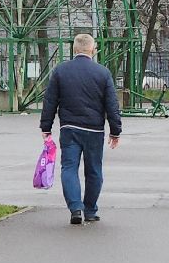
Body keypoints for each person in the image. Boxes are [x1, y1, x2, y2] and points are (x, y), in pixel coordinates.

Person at [39, 33, 123, 224]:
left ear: (74, 49)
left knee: (69, 168)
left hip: (69, 128)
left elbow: (49, 101)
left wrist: (46, 127)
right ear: (92, 50)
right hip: (94, 130)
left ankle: (76, 208)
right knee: (94, 171)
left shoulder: (60, 71)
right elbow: (112, 104)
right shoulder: (102, 73)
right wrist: (115, 130)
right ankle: (91, 210)